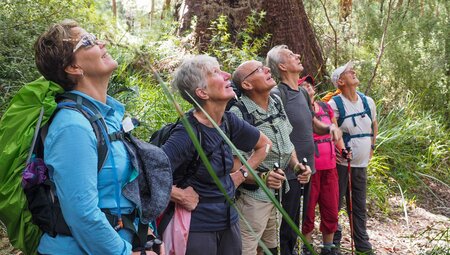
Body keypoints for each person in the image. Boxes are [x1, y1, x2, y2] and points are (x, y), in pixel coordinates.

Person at [34, 20, 157, 254]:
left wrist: (145, 232)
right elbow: (82, 214)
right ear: (73, 67)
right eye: (88, 41)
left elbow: (123, 188)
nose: (101, 42)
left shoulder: (106, 117)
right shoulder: (73, 126)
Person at [161, 55, 272, 255]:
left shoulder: (228, 122)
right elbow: (147, 174)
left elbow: (264, 145)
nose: (227, 74)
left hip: (230, 222)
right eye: (216, 72)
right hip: (196, 228)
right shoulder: (187, 134)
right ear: (202, 92)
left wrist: (240, 177)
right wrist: (180, 195)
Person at [266, 45, 342, 255]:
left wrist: (330, 127)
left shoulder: (301, 91)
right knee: (287, 223)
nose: (298, 55)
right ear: (282, 66)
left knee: (301, 220)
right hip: (290, 172)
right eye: (291, 55)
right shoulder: (277, 94)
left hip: (309, 169)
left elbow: (312, 123)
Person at [230, 60, 312, 255]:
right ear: (247, 85)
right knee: (246, 249)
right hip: (252, 199)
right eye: (259, 69)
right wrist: (264, 177)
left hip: (277, 196)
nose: (267, 69)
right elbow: (234, 167)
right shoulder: (237, 114)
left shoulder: (276, 102)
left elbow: (287, 144)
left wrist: (297, 166)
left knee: (269, 248)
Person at [328, 61, 378, 254]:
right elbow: (332, 130)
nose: (353, 72)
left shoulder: (368, 101)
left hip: (360, 165)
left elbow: (374, 125)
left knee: (358, 205)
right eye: (349, 72)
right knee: (335, 203)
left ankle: (362, 246)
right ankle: (333, 242)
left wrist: (371, 147)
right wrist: (341, 150)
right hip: (341, 164)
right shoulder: (335, 104)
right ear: (340, 81)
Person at [298, 75, 348, 255]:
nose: (308, 86)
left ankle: (329, 248)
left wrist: (342, 150)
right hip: (311, 169)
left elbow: (336, 133)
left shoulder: (326, 107)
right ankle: (307, 248)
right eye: (302, 85)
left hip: (330, 168)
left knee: (331, 208)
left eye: (309, 84)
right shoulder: (299, 109)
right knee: (308, 211)